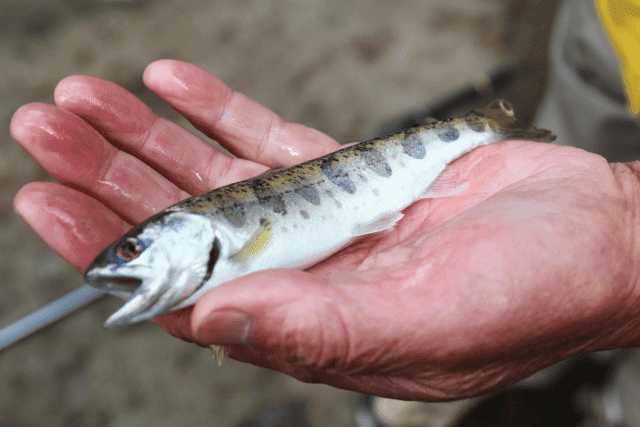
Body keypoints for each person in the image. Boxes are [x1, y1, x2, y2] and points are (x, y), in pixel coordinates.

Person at [10, 59, 640, 402]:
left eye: (133, 248)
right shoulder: (216, 257)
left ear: (178, 234)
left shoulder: (227, 252)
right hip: (613, 28)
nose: (125, 262)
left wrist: (624, 220)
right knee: (593, 79)